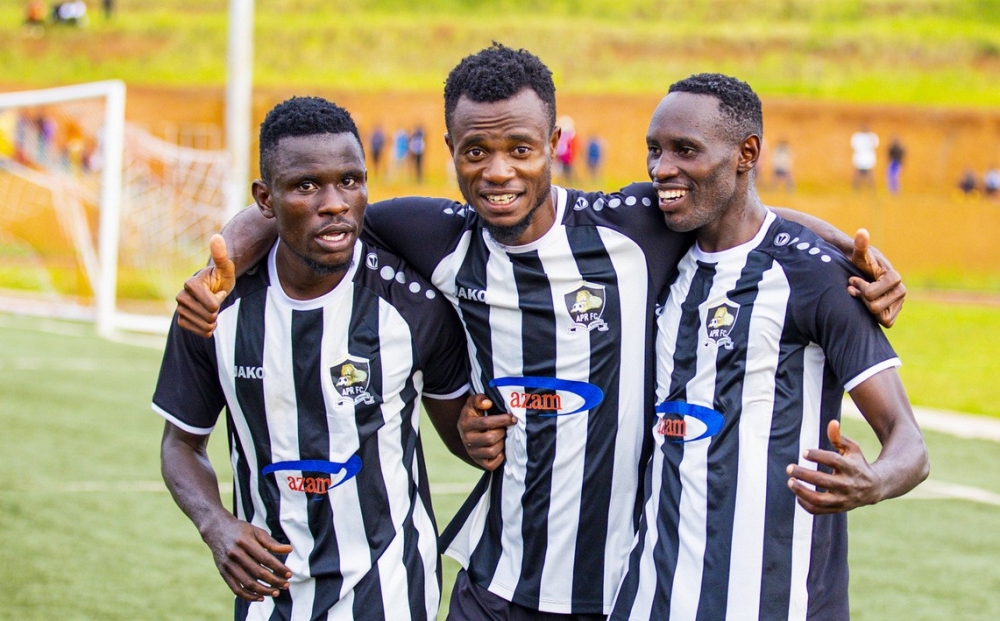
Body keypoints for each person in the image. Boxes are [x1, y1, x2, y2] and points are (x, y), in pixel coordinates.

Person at [174, 44, 906, 620]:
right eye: (475, 152)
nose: (498, 173)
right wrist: (228, 256)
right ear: (451, 147)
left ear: (553, 143)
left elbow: (738, 208)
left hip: (627, 585)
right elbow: (313, 206)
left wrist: (851, 250)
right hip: (497, 580)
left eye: (520, 149)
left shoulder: (633, 230)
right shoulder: (431, 233)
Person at [609, 74, 928, 621]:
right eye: (654, 150)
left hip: (781, 604)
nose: (663, 168)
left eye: (686, 150)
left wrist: (873, 480)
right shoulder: (649, 249)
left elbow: (909, 445)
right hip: (648, 601)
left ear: (747, 153)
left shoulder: (819, 280)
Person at [154, 96, 473, 621]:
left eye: (350, 180)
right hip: (266, 597)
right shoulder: (213, 308)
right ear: (265, 198)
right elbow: (180, 444)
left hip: (390, 591)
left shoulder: (411, 306)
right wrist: (216, 524)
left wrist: (481, 433)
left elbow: (460, 435)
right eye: (306, 186)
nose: (335, 203)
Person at [851, 124, 879, 191]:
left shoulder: (872, 136)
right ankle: (856, 189)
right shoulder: (857, 136)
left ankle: (871, 189)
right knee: (857, 174)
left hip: (868, 158)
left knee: (870, 174)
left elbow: (875, 144)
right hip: (860, 158)